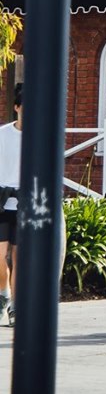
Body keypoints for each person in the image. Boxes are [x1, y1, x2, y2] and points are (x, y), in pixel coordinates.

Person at [0, 85, 21, 328]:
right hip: (1, 200)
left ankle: (16, 304)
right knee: (0, 256)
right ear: (16, 108)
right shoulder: (4, 134)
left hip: (24, 202)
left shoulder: (38, 138)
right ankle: (3, 293)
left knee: (19, 256)